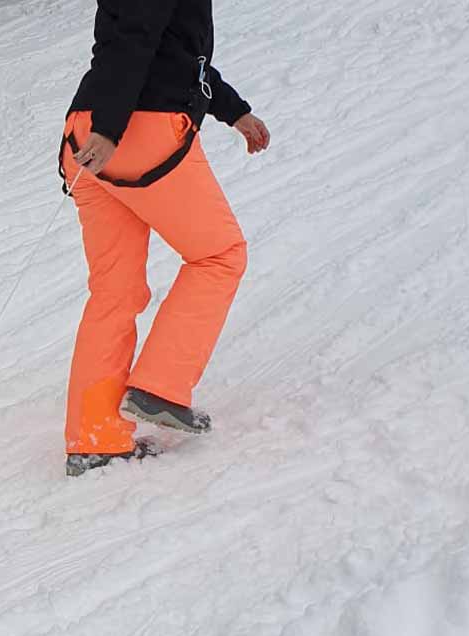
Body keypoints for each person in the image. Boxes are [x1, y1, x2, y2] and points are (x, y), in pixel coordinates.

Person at [58, 0, 270, 476]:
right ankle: (161, 387)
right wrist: (112, 128)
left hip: (83, 136)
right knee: (220, 255)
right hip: (136, 130)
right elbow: (136, 39)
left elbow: (168, 53)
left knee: (115, 291)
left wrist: (234, 112)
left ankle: (96, 438)